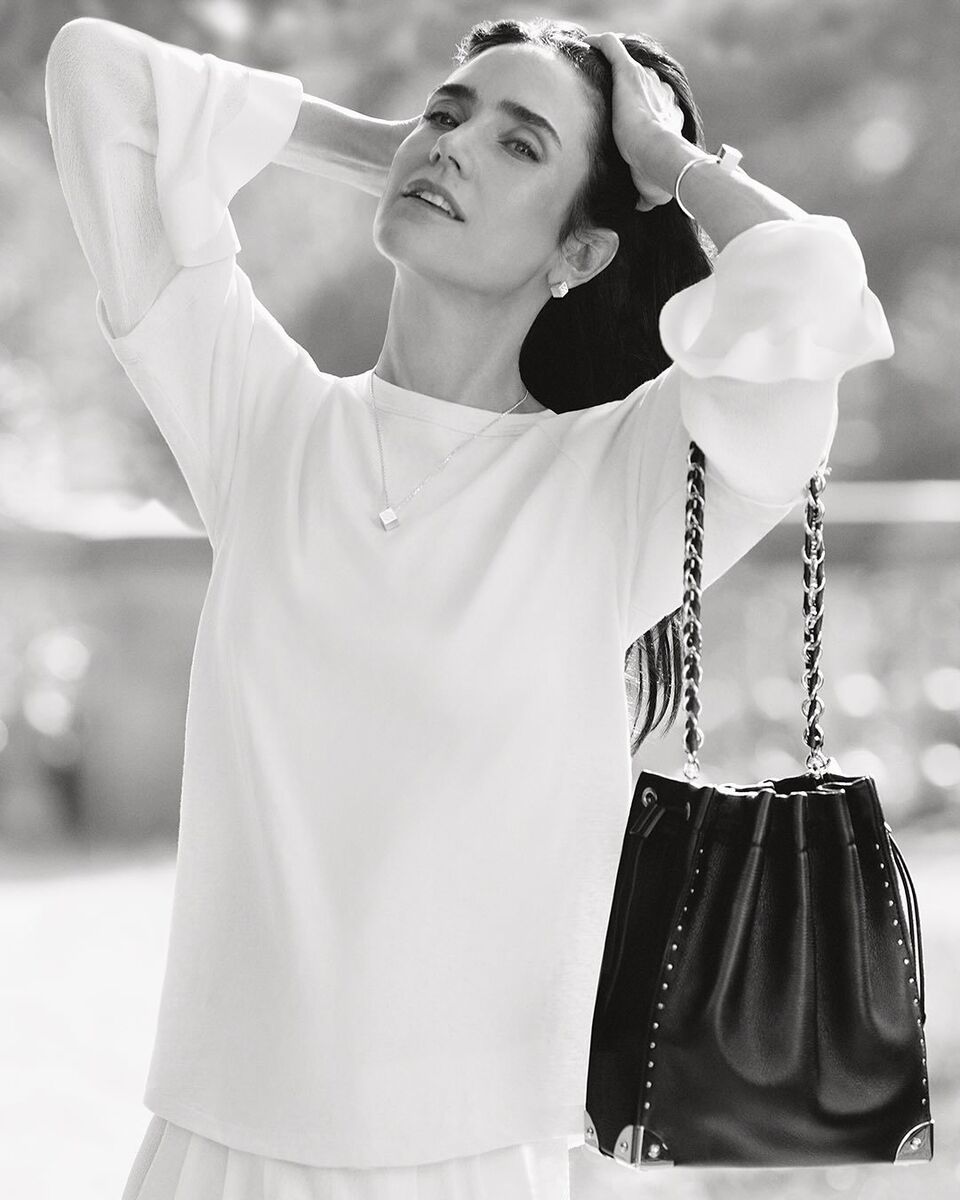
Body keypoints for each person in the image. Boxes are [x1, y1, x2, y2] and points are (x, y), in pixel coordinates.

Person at [44, 12, 894, 1200]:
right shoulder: (260, 419)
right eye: (449, 113)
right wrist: (383, 146)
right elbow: (96, 75)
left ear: (581, 251)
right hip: (215, 1147)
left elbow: (811, 289)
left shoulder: (618, 483)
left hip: (470, 1159)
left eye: (519, 143)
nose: (453, 145)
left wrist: (667, 161)